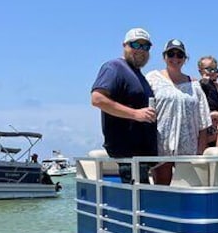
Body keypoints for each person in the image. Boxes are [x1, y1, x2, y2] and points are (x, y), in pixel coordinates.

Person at [90, 27, 158, 184]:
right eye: (135, 45)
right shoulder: (114, 67)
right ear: (124, 45)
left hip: (142, 158)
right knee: (137, 205)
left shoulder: (138, 74)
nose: (141, 50)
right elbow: (97, 99)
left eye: (145, 46)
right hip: (127, 157)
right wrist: (135, 114)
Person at [145, 39, 211, 184]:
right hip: (161, 147)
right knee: (162, 190)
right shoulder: (151, 79)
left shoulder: (194, 86)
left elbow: (203, 121)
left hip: (188, 150)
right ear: (164, 56)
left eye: (179, 55)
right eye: (171, 54)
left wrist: (201, 152)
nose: (175, 58)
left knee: (188, 193)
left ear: (185, 59)